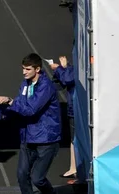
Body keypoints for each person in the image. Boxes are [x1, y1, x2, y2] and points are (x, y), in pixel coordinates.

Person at [0, 53, 61, 194]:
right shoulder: (25, 84)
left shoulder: (46, 87)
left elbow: (30, 110)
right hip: (27, 136)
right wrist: (1, 115)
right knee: (22, 175)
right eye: (23, 68)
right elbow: (20, 105)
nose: (24, 72)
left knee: (37, 179)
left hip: (45, 139)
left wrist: (10, 101)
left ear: (37, 69)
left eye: (28, 69)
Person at [49, 56, 79, 184]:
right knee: (74, 139)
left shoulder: (81, 64)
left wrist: (61, 69)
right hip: (75, 105)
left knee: (76, 138)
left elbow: (68, 79)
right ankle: (74, 167)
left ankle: (77, 169)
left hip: (76, 107)